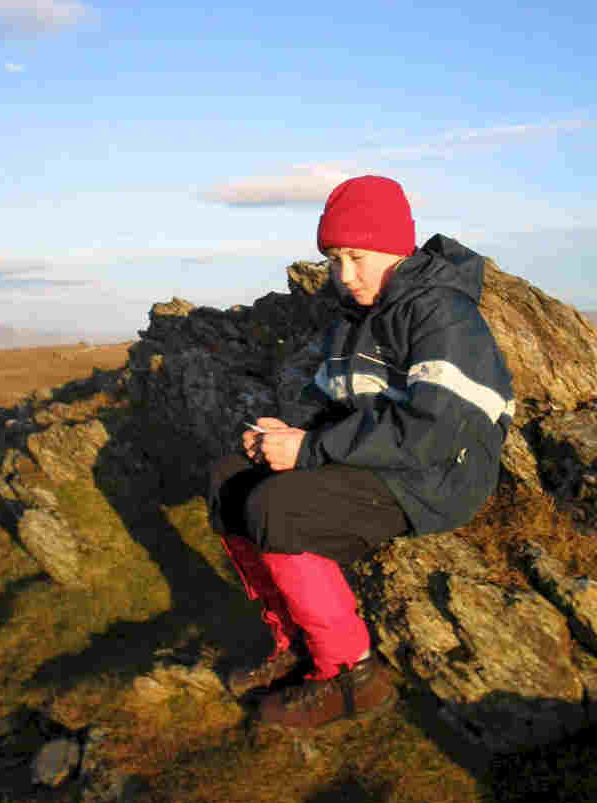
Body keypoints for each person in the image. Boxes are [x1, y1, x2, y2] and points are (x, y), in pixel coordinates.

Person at [208, 175, 514, 729]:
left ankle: (350, 674)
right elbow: (338, 402)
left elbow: (434, 431)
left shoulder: (442, 314)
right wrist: (289, 431)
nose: (344, 276)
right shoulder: (359, 318)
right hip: (382, 457)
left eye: (356, 256)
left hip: (436, 476)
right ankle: (296, 641)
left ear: (395, 247)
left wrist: (309, 451)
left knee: (278, 508)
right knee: (232, 480)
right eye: (333, 260)